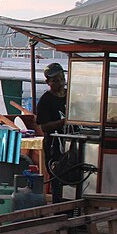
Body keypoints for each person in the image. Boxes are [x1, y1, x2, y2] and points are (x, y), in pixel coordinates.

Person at [36, 62, 67, 193]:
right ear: (48, 82)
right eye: (55, 80)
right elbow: (44, 126)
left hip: (72, 143)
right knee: (57, 177)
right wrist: (64, 122)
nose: (60, 82)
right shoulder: (45, 100)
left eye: (62, 78)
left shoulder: (72, 95)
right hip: (54, 145)